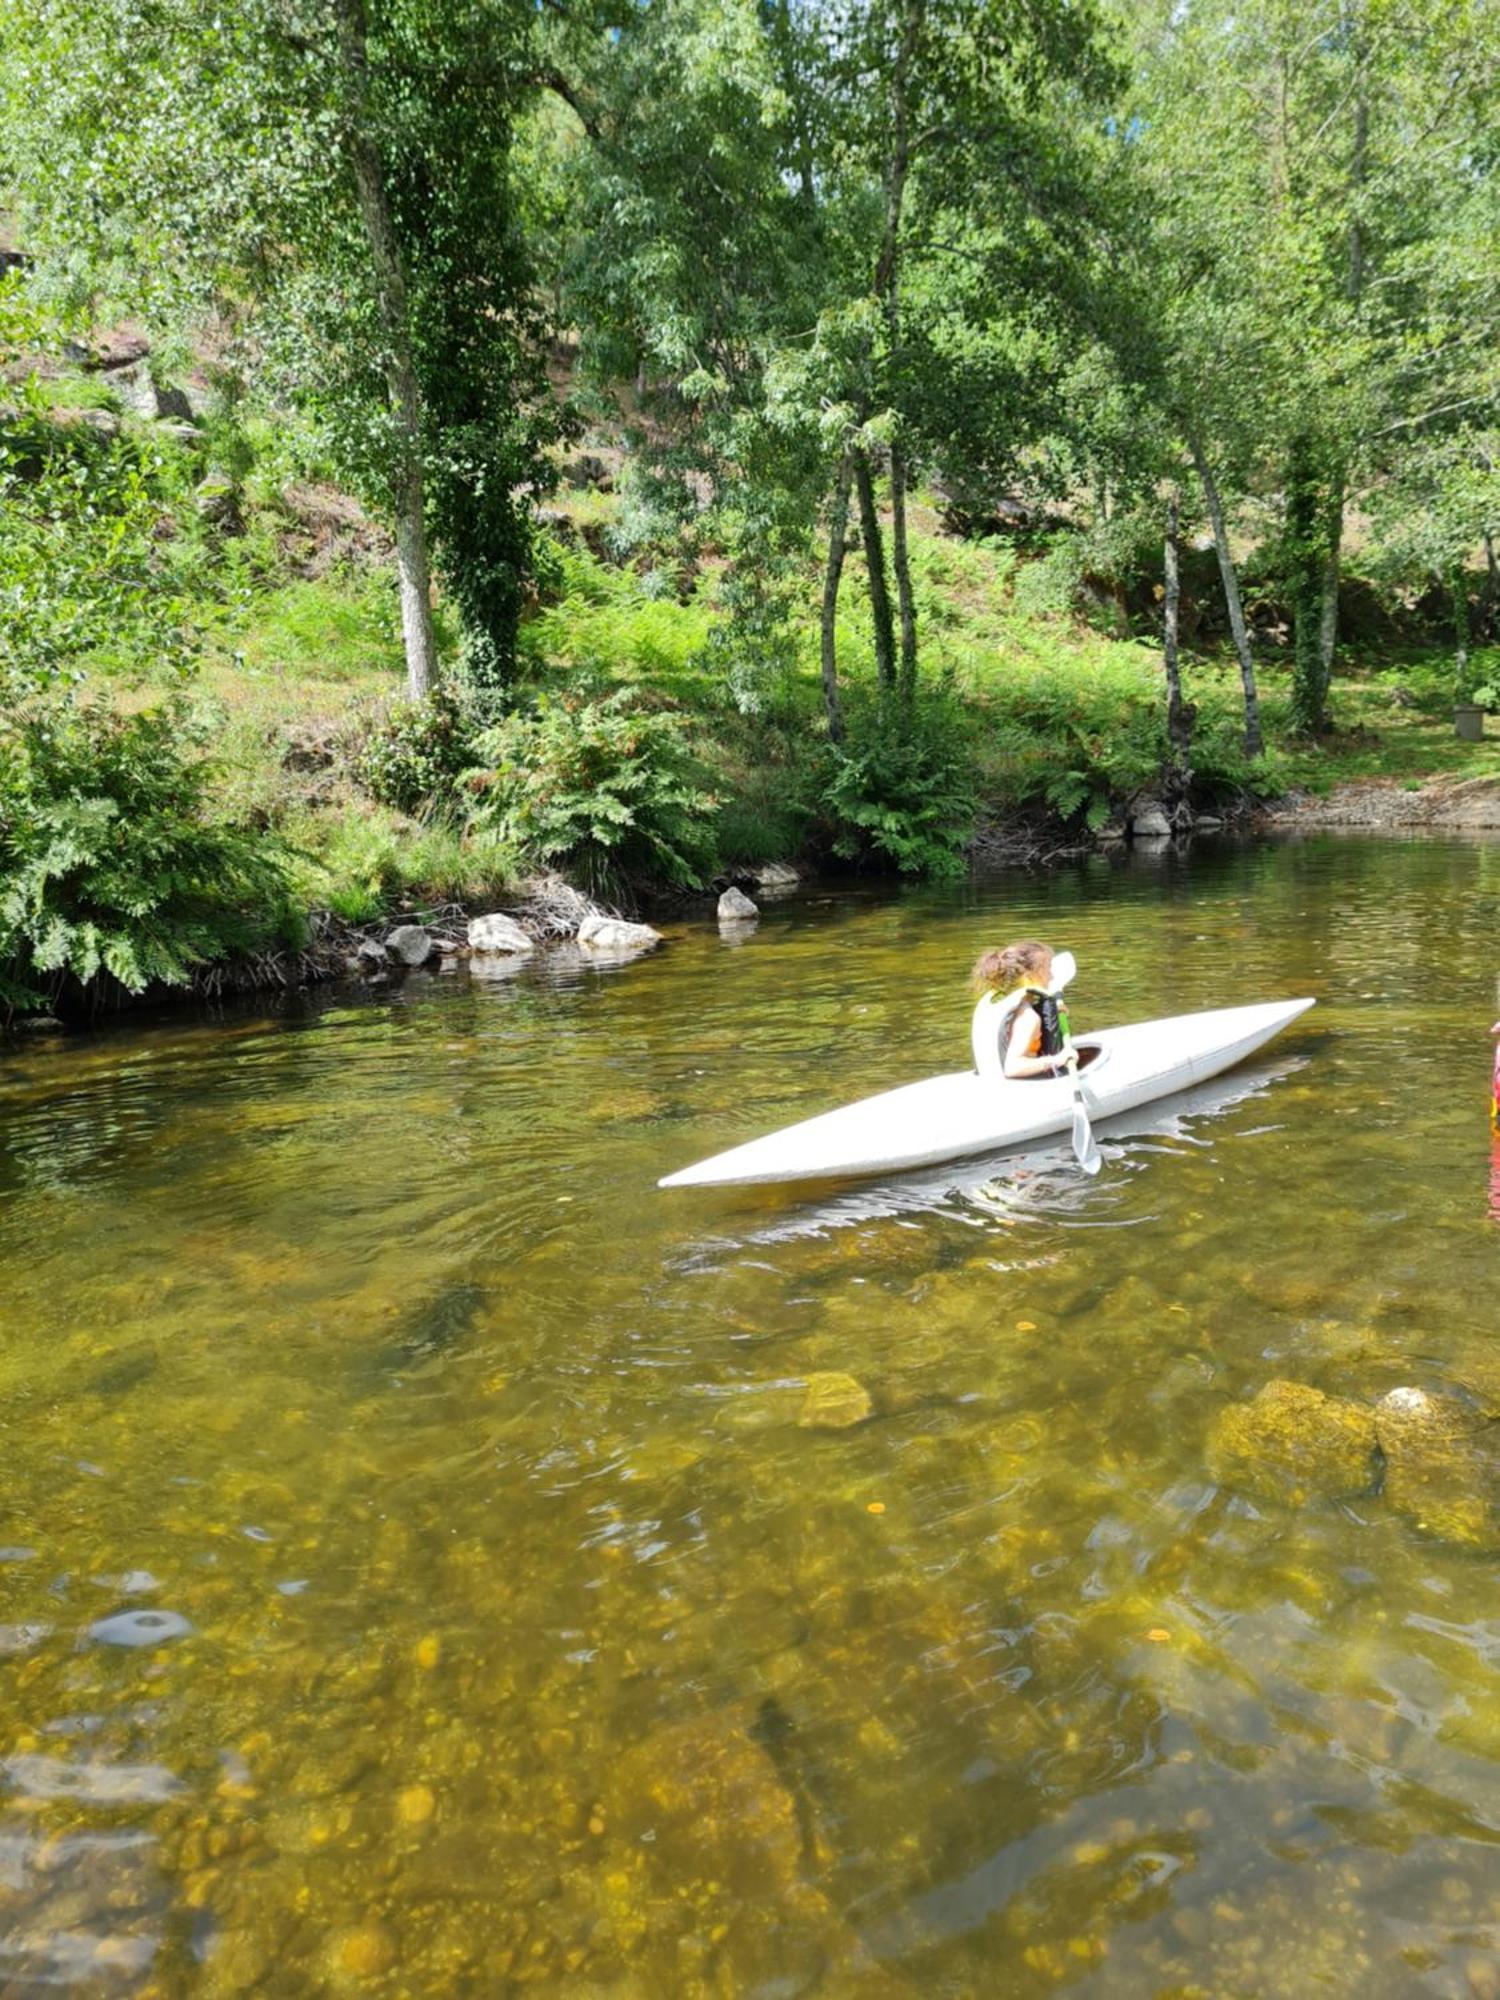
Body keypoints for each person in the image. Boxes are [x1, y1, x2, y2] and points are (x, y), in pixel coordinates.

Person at [970, 940, 1077, 1081]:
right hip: (1021, 1086)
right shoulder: (1028, 1018)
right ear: (1029, 977)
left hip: (991, 1079)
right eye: (1047, 969)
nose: (1051, 976)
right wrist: (1058, 1059)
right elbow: (1012, 1067)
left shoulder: (1000, 1000)